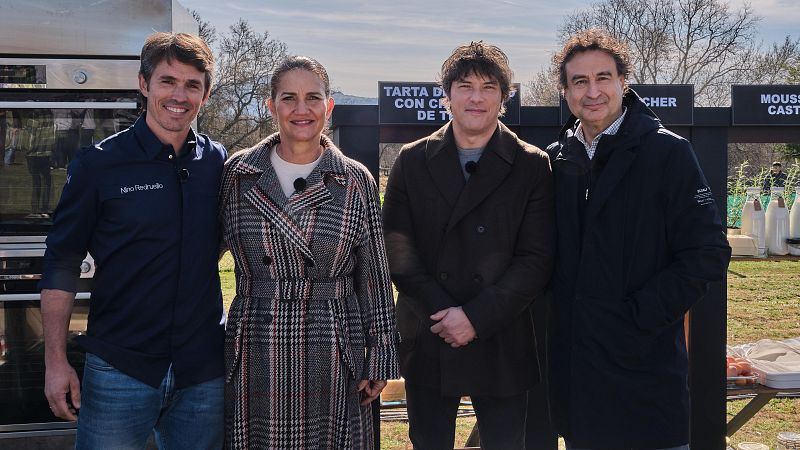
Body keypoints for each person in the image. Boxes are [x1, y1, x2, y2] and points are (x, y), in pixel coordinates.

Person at [546, 28, 731, 450]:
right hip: (579, 383)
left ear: (623, 83)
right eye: (579, 81)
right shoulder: (557, 158)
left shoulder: (668, 153)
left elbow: (707, 253)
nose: (592, 91)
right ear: (566, 91)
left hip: (646, 374)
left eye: (603, 77)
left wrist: (638, 317)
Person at [40, 32, 226, 449]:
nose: (179, 95)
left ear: (206, 94)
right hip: (120, 369)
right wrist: (55, 361)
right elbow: (62, 262)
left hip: (203, 374)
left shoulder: (218, 162)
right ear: (144, 85)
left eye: (192, 85)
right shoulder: (99, 165)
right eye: (167, 81)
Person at [220, 56, 399, 449]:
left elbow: (374, 277)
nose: (301, 109)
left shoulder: (355, 179)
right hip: (256, 346)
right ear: (271, 106)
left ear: (328, 105)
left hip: (333, 343)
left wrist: (379, 357)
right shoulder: (236, 174)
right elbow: (200, 260)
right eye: (289, 98)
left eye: (313, 97)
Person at [383, 41, 555, 450]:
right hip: (429, 330)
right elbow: (397, 252)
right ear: (447, 96)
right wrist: (446, 315)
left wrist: (475, 317)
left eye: (488, 87)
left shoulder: (532, 164)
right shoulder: (411, 160)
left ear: (504, 97)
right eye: (464, 86)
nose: (476, 97)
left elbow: (536, 259)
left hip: (501, 332)